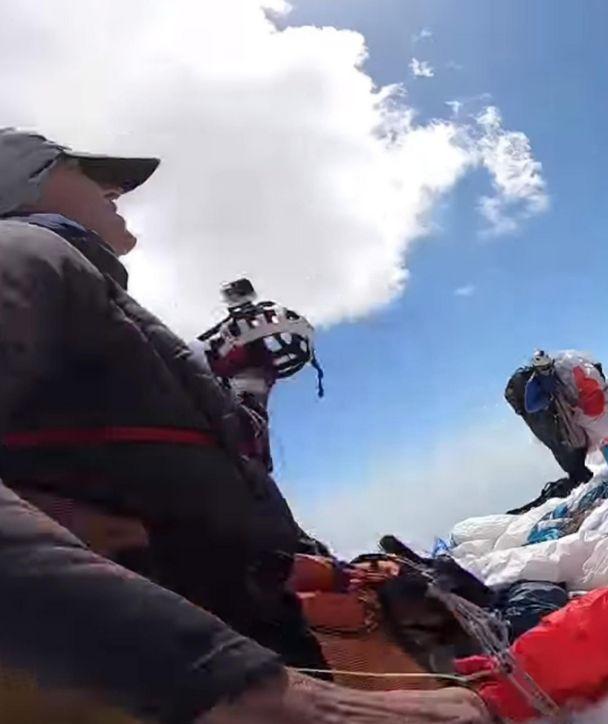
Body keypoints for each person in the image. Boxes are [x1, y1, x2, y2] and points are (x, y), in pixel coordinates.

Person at [0, 129, 489, 722]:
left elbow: (195, 470)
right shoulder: (22, 251)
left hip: (257, 634)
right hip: (214, 680)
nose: (115, 187)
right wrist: (230, 684)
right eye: (85, 169)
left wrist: (248, 389)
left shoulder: (76, 291)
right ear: (19, 181)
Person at [505, 351, 595, 483]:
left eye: (548, 366)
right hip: (551, 420)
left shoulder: (552, 373)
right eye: (544, 368)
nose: (547, 369)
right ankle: (579, 475)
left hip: (561, 414)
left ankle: (582, 473)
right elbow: (530, 406)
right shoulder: (533, 383)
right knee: (564, 447)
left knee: (576, 441)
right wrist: (547, 400)